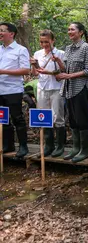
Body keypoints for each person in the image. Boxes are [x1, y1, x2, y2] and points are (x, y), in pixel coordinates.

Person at [53, 22, 88, 163]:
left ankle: (86, 150)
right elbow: (65, 69)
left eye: (72, 29)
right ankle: (76, 148)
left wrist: (69, 76)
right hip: (68, 89)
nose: (70, 31)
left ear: (80, 32)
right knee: (72, 119)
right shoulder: (68, 48)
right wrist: (58, 61)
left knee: (82, 119)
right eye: (68, 29)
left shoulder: (86, 48)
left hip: (80, 88)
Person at [30, 30, 66, 158]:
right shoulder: (37, 53)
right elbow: (35, 73)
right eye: (41, 42)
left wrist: (58, 61)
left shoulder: (60, 53)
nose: (44, 44)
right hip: (42, 87)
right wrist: (34, 65)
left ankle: (60, 146)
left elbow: (64, 71)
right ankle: (48, 145)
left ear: (52, 40)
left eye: (46, 42)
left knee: (58, 117)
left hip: (56, 88)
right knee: (44, 117)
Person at [0, 22, 30, 158]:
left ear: (11, 34)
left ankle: (23, 146)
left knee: (17, 118)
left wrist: (3, 71)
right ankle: (8, 145)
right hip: (0, 90)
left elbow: (26, 70)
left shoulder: (20, 50)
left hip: (13, 90)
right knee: (3, 119)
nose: (0, 33)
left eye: (2, 30)